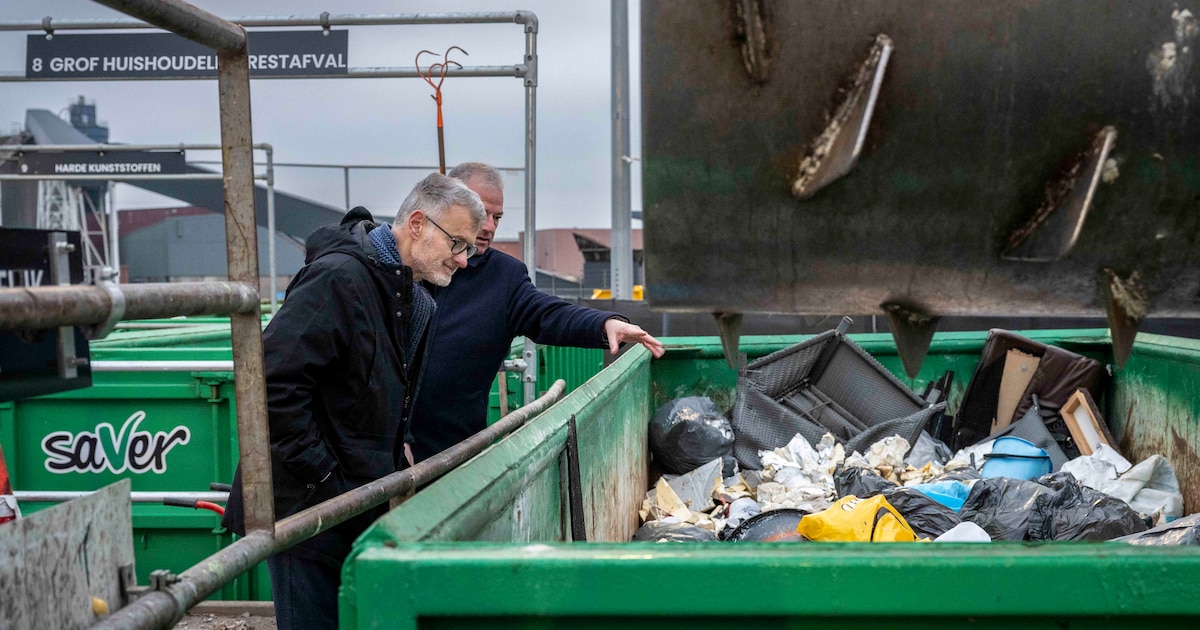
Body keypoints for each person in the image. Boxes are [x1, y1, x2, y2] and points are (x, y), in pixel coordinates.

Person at [221, 173, 485, 630]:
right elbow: (266, 384)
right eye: (457, 243)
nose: (463, 260)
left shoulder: (407, 294)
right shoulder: (340, 279)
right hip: (308, 509)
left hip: (352, 503)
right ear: (417, 224)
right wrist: (325, 474)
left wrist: (392, 453)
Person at [408, 162, 665, 463]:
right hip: (383, 455)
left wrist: (605, 323)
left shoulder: (503, 277)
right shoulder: (407, 264)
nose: (489, 226)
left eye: (497, 217)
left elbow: (548, 314)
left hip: (452, 457)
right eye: (480, 213)